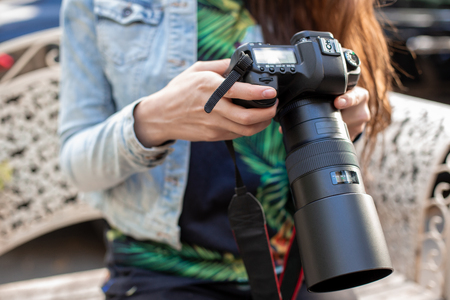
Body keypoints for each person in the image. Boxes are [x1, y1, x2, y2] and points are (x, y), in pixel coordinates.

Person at [58, 0, 395, 299]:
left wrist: (346, 126)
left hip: (310, 254)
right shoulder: (96, 5)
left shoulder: (327, 5)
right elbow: (76, 166)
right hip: (166, 269)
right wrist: (152, 121)